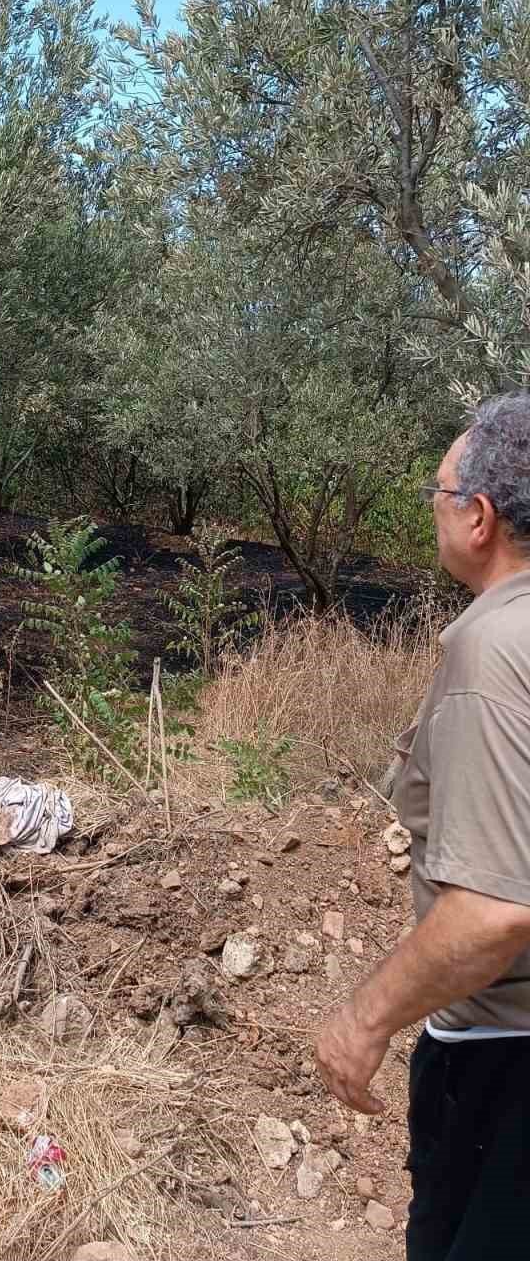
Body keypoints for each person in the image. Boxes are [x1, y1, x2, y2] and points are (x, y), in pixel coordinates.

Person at [316, 392, 530, 1260]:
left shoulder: (494, 652)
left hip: (506, 1073)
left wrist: (363, 1020)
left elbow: (496, 910)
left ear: (477, 517)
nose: (434, 512)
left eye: (436, 495)